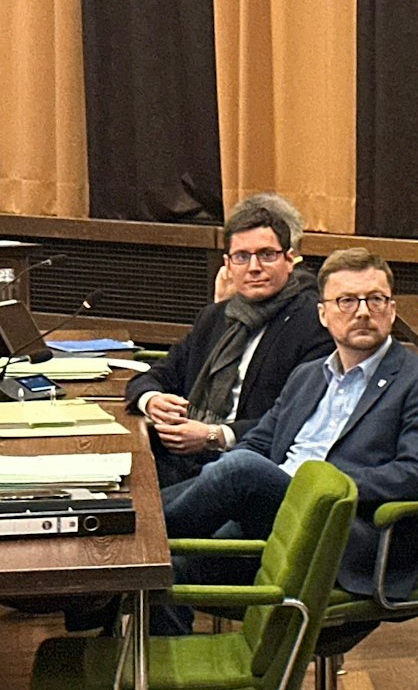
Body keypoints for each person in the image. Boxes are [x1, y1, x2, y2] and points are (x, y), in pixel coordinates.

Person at [162, 247, 418, 601]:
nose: (363, 312)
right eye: (347, 301)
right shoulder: (307, 376)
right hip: (269, 514)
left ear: (392, 311)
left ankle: (136, 534)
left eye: (376, 300)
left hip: (342, 531)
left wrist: (312, 485)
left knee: (237, 470)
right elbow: (257, 443)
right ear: (323, 314)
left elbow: (415, 476)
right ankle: (125, 559)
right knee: (168, 568)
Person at [126, 194, 334, 487]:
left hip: (246, 465)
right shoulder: (216, 317)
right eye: (242, 257)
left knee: (140, 514)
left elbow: (295, 420)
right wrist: (152, 400)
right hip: (183, 459)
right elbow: (155, 376)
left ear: (290, 260)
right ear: (228, 264)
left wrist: (213, 436)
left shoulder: (312, 322)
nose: (254, 267)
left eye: (267, 254)